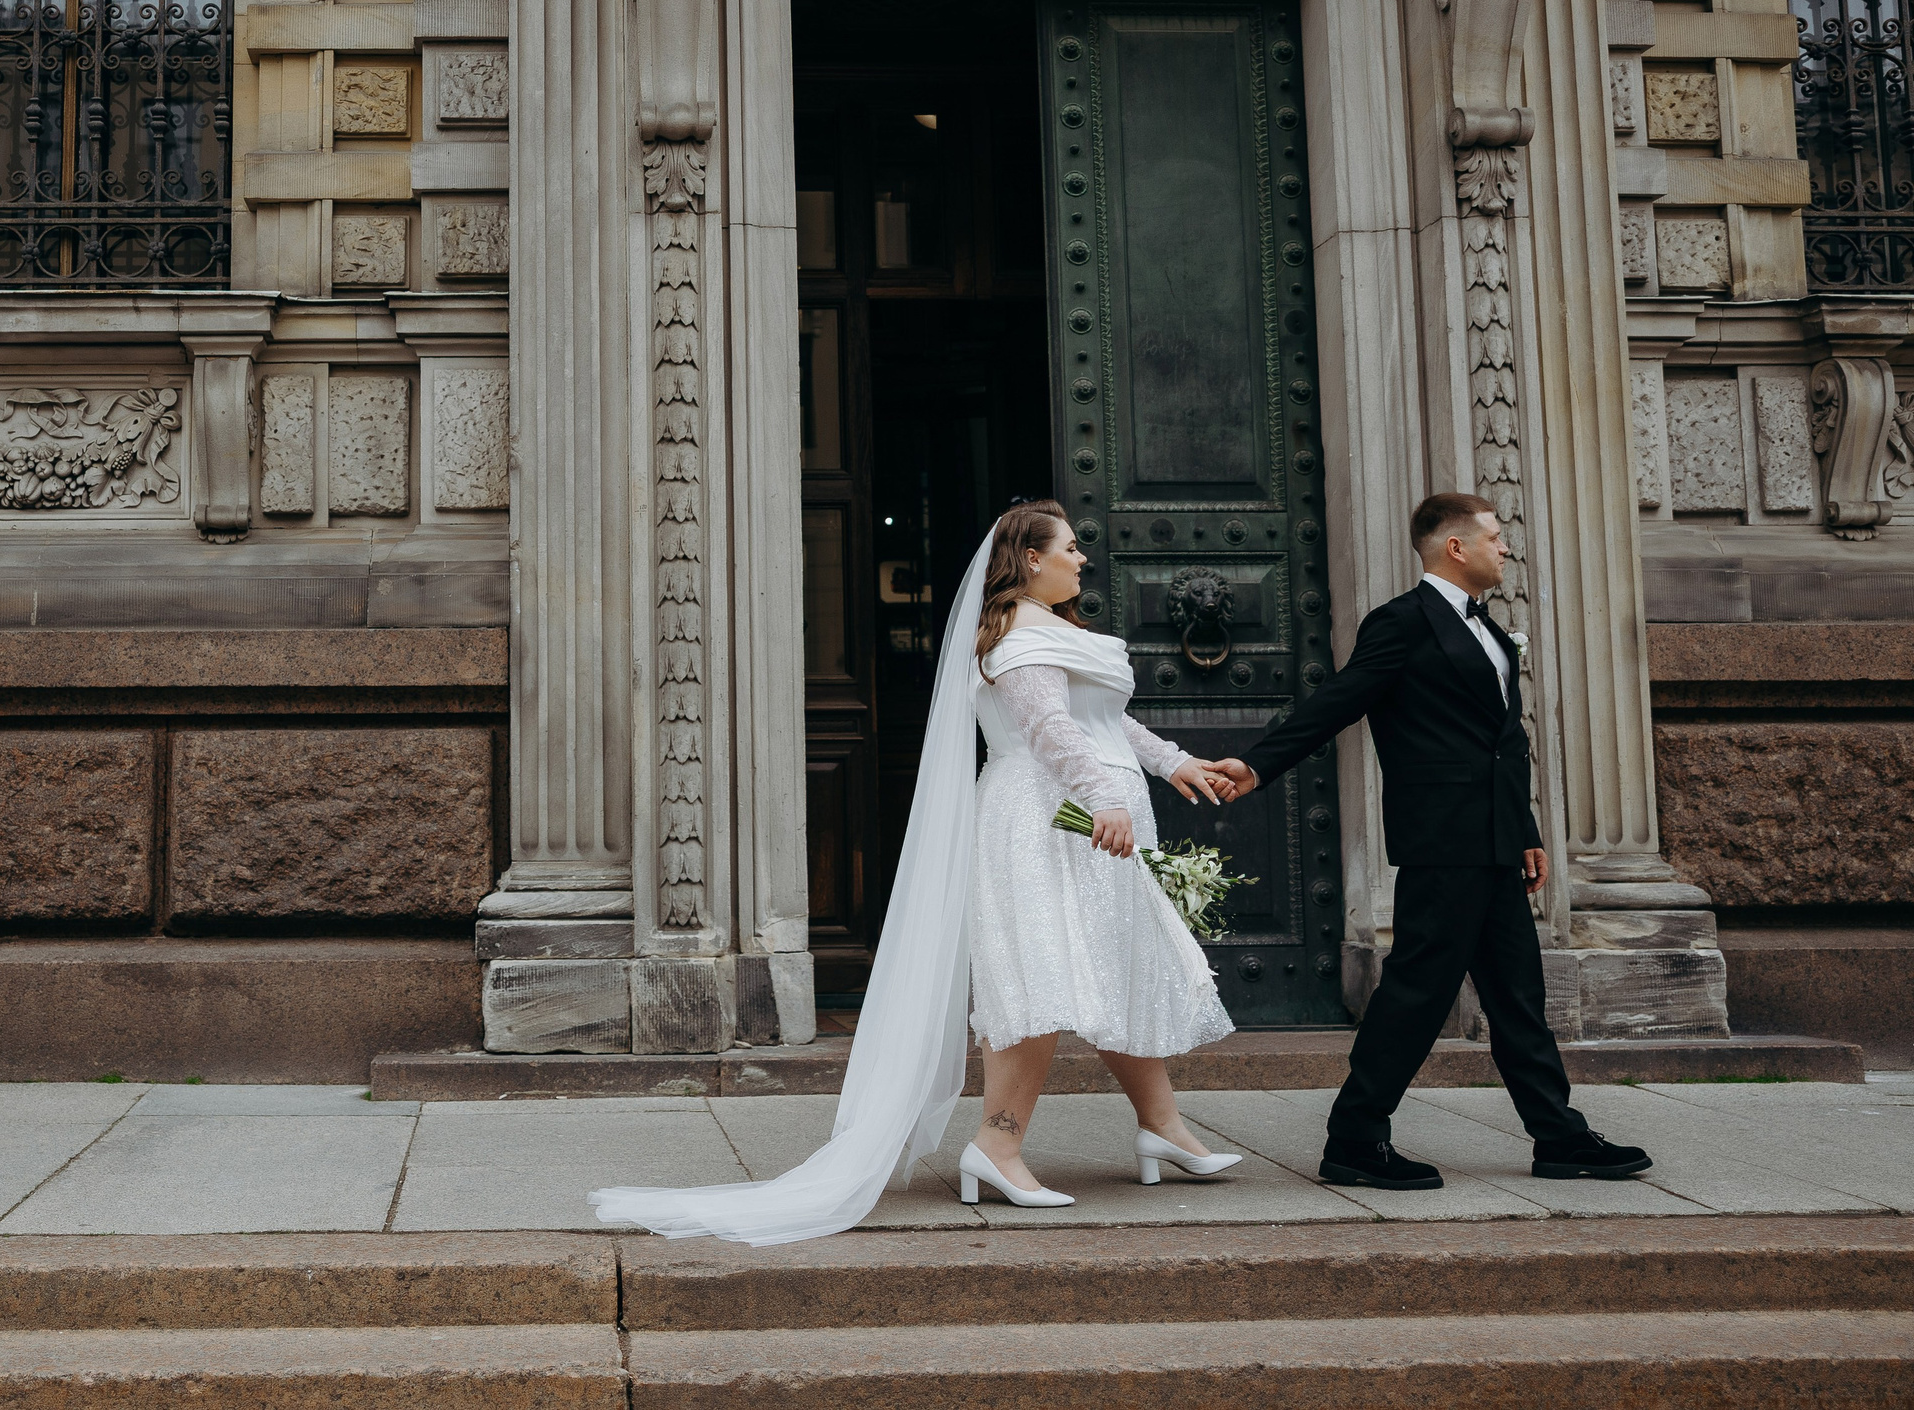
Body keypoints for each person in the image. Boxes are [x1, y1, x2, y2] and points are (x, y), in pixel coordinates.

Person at [589, 500, 1241, 1246]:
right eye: (1069, 548)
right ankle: (996, 1147)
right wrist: (1100, 798)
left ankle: (1163, 1129)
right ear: (1031, 560)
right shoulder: (1021, 635)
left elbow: (1102, 719)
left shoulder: (1058, 631)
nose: (1082, 559)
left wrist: (1176, 762)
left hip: (1101, 822)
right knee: (1043, 981)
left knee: (1112, 967)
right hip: (1047, 820)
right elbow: (1048, 729)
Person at [1213, 492, 1652, 1190]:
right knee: (1417, 993)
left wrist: (1525, 830)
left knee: (1517, 994)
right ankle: (1355, 1138)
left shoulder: (1492, 630)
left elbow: (1505, 741)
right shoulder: (1402, 623)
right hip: (1443, 843)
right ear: (1456, 547)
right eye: (1495, 537)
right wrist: (1260, 763)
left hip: (1493, 842)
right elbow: (1342, 699)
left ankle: (1559, 1138)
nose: (1504, 548)